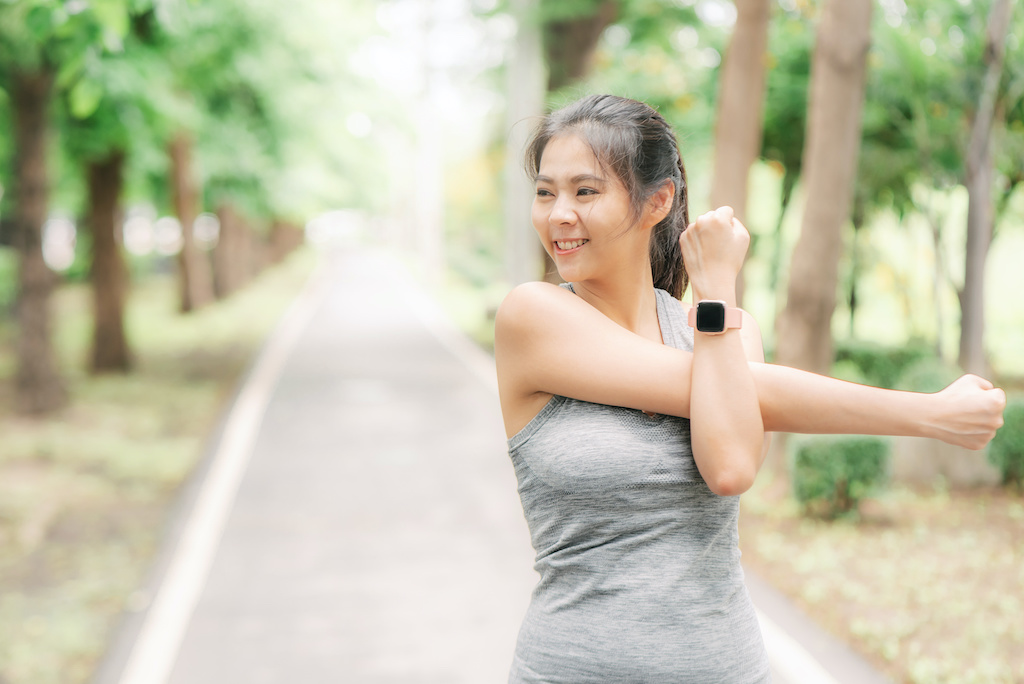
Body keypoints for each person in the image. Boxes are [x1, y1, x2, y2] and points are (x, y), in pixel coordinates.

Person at [493, 94, 1005, 683]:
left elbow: (730, 466)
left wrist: (716, 293)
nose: (558, 213)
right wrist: (930, 413)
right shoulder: (532, 318)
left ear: (657, 201)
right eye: (545, 191)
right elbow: (736, 393)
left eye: (585, 191)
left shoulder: (729, 337)